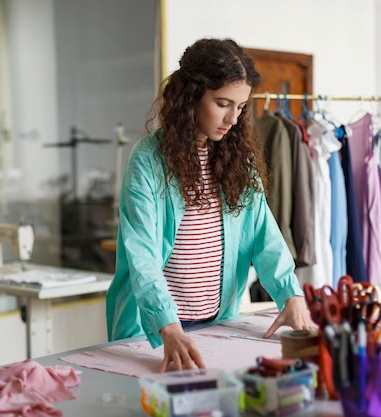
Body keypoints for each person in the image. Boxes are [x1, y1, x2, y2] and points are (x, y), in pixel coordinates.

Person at [105, 38, 316, 373]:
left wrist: (290, 295)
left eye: (241, 107)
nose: (233, 118)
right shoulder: (147, 160)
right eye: (222, 103)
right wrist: (168, 325)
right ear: (190, 96)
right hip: (155, 330)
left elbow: (265, 235)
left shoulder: (238, 160)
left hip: (217, 325)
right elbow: (142, 255)